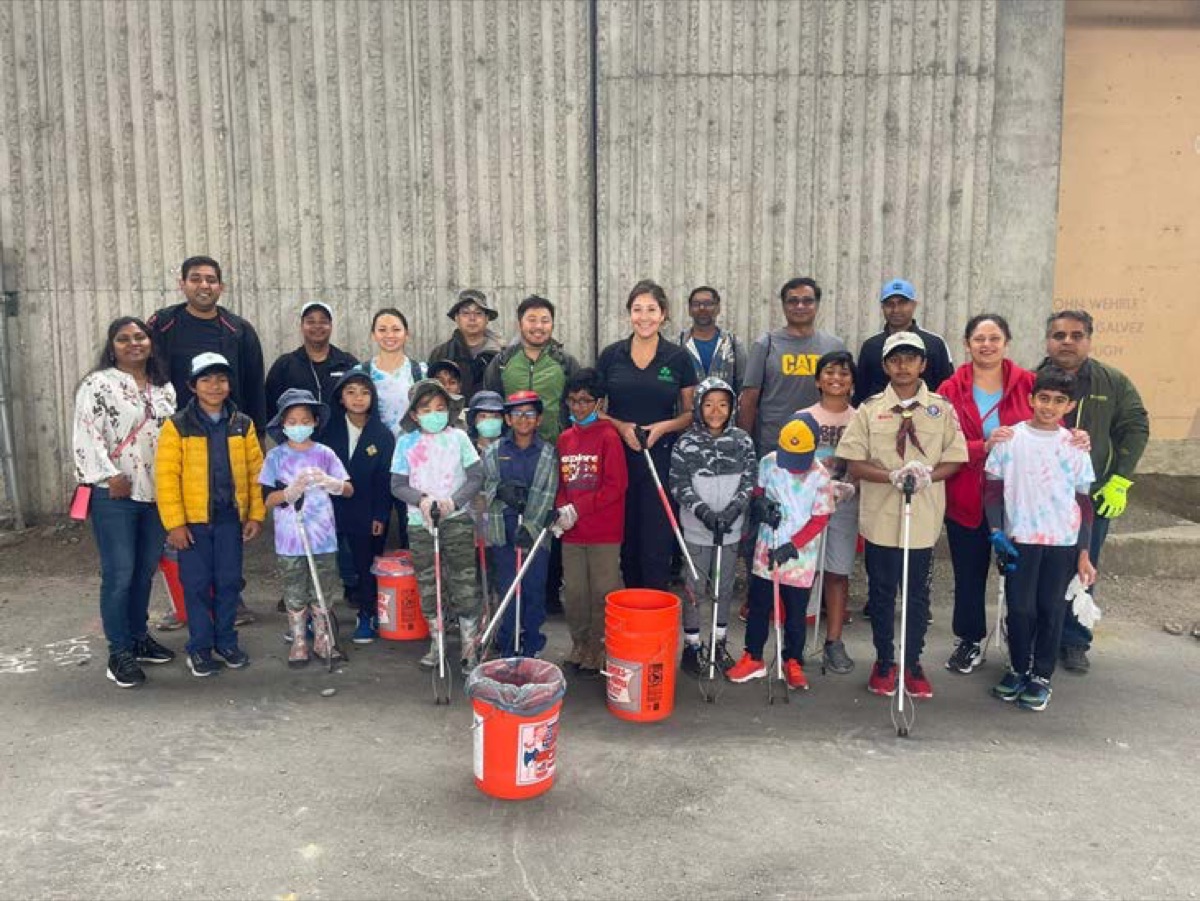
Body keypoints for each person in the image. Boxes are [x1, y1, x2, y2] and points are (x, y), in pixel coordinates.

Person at [836, 332, 968, 699]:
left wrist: (926, 475)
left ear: (923, 364)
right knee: (880, 593)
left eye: (911, 358)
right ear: (885, 366)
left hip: (922, 518)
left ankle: (912, 662)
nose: (903, 366)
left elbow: (955, 459)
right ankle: (883, 661)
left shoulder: (941, 409)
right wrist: (891, 476)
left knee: (916, 596)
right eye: (895, 359)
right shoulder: (869, 409)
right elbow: (854, 461)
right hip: (881, 516)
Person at [148, 256, 265, 628]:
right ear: (182, 284)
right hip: (178, 438)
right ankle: (183, 603)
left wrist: (255, 436)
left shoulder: (238, 330)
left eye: (211, 280)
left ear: (221, 287)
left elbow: (253, 387)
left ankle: (234, 597)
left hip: (225, 438)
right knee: (179, 523)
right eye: (196, 279)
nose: (204, 286)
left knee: (227, 520)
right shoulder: (162, 325)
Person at [72, 317, 178, 688]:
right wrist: (107, 475)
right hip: (115, 493)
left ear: (150, 342)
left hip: (156, 494)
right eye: (123, 339)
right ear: (112, 345)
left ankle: (138, 637)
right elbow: (86, 434)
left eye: (140, 337)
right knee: (119, 573)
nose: (134, 344)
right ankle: (118, 652)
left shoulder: (164, 387)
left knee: (145, 571)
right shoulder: (97, 384)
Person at [984, 366, 1097, 711]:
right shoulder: (1010, 439)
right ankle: (1018, 667)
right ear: (1031, 399)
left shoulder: (1075, 446)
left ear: (1069, 406)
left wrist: (1084, 552)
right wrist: (996, 531)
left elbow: (1084, 502)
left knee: (1051, 609)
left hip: (1062, 542)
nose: (1049, 406)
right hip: (1020, 538)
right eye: (1043, 398)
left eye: (1058, 401)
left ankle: (1042, 675)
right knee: (1020, 609)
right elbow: (991, 489)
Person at [1042, 309, 1149, 674]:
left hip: (1091, 495)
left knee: (1082, 567)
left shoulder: (1112, 382)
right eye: (1059, 335)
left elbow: (1135, 426)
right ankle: (1039, 635)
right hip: (1040, 497)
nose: (1067, 342)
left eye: (1076, 335)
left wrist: (1119, 479)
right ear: (1048, 341)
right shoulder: (1031, 379)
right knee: (1040, 569)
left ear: (1088, 339)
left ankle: (1074, 641)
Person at [938, 314, 1037, 674]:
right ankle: (969, 639)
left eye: (995, 338)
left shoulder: (1030, 384)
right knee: (969, 574)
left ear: (1006, 342)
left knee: (1020, 574)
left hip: (1019, 499)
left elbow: (1050, 426)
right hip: (966, 497)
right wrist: (982, 446)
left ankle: (1019, 638)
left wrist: (1076, 438)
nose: (987, 345)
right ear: (967, 344)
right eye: (979, 339)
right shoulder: (949, 389)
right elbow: (941, 445)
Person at [155, 353, 265, 677]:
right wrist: (175, 524)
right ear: (192, 385)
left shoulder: (242, 424)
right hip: (194, 525)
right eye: (206, 380)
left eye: (221, 379)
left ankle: (227, 642)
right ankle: (200, 648)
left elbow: (256, 472)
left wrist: (255, 515)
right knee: (197, 584)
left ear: (229, 385)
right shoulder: (177, 426)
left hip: (230, 520)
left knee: (229, 582)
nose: (214, 386)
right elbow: (166, 478)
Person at [596, 280, 698, 591]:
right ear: (629, 314)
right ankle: (629, 604)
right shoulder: (612, 355)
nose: (644, 317)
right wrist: (622, 427)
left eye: (651, 310)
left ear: (664, 314)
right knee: (626, 536)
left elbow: (690, 414)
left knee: (656, 537)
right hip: (618, 455)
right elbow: (596, 411)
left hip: (661, 456)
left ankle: (655, 606)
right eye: (637, 309)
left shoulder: (678, 358)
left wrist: (662, 428)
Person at [484, 294, 581, 615]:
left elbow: (576, 402)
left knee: (548, 519)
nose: (538, 327)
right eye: (531, 320)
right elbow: (491, 404)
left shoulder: (564, 362)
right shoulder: (502, 361)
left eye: (544, 320)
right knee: (512, 514)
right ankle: (511, 594)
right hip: (511, 453)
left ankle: (549, 591)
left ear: (552, 324)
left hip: (553, 452)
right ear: (519, 323)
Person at [726, 412, 835, 690]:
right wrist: (761, 507)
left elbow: (821, 518)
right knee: (759, 605)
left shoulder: (821, 477)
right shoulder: (769, 463)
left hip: (800, 556)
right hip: (767, 548)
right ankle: (753, 657)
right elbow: (758, 493)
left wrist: (792, 546)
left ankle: (793, 660)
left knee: (796, 612)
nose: (794, 467)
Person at [390, 379, 484, 674]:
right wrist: (421, 500)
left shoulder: (459, 438)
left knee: (464, 582)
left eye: (441, 408)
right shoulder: (405, 441)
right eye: (427, 409)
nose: (435, 413)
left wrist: (454, 502)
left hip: (456, 521)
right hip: (421, 524)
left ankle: (470, 644)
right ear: (415, 414)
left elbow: (475, 477)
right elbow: (397, 484)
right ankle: (438, 641)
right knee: (429, 584)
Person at [669, 377, 756, 676]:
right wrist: (704, 512)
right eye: (708, 404)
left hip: (729, 530)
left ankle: (719, 642)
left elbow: (748, 481)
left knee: (724, 587)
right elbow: (678, 484)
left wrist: (732, 512)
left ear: (731, 407)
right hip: (697, 529)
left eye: (722, 404)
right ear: (697, 407)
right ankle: (692, 645)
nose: (715, 410)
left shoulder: (742, 441)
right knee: (695, 588)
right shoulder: (686, 443)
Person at [259, 389, 353, 666]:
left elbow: (348, 489)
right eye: (292, 420)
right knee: (295, 591)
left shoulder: (325, 454)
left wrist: (332, 483)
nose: (298, 425)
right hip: (290, 540)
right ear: (283, 424)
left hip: (323, 537)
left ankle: (325, 641)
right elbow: (267, 499)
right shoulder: (275, 457)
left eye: (304, 420)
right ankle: (299, 641)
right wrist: (290, 492)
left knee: (322, 590)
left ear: (314, 422)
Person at [554, 369, 628, 677]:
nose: (579, 407)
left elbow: (616, 485)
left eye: (585, 401)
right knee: (575, 594)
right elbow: (559, 483)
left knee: (603, 592)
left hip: (603, 533)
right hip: (572, 533)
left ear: (599, 402)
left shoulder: (609, 437)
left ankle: (600, 648)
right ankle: (579, 644)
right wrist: (561, 511)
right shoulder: (564, 439)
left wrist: (578, 508)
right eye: (573, 401)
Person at [482, 391, 559, 658]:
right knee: (508, 588)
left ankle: (532, 644)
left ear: (538, 419)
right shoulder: (494, 451)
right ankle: (508, 644)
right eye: (516, 414)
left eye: (529, 414)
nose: (523, 419)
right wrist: (503, 493)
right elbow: (488, 485)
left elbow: (548, 492)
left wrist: (531, 528)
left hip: (536, 536)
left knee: (534, 589)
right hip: (504, 531)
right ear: (507, 419)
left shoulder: (548, 453)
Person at [800, 350, 861, 674]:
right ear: (817, 380)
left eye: (844, 374)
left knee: (837, 573)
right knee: (803, 573)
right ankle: (795, 640)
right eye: (829, 373)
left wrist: (849, 481)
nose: (836, 379)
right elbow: (791, 463)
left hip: (844, 506)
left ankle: (834, 641)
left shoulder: (860, 418)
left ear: (852, 382)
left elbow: (865, 462)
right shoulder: (803, 417)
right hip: (808, 507)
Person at [323, 370, 395, 645]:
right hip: (329, 508)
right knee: (327, 563)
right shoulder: (327, 431)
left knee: (366, 565)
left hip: (367, 509)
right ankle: (318, 617)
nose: (358, 398)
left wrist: (380, 513)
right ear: (340, 398)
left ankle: (367, 614)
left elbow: (385, 479)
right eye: (351, 391)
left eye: (364, 392)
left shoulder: (382, 435)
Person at [738, 277, 847, 457]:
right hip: (775, 443)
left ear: (817, 305)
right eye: (793, 301)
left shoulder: (835, 346)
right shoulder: (765, 344)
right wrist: (743, 445)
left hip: (823, 444)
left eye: (807, 301)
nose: (800, 306)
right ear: (783, 305)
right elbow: (749, 399)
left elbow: (845, 394)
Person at [365, 307, 426, 550]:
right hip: (375, 459)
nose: (389, 335)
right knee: (373, 525)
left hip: (413, 460)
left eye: (396, 329)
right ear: (373, 335)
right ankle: (373, 585)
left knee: (411, 525)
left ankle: (412, 584)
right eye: (382, 329)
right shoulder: (363, 372)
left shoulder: (419, 371)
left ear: (406, 334)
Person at [853, 278, 954, 405]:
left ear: (914, 305)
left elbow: (947, 389)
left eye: (902, 303)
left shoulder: (935, 344)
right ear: (882, 307)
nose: (896, 310)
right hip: (880, 420)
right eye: (890, 304)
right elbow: (861, 393)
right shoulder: (870, 346)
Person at [264, 301, 358, 423]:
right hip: (299, 440)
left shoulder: (347, 363)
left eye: (323, 322)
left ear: (331, 326)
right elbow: (269, 406)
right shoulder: (284, 365)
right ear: (301, 326)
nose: (317, 326)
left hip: (340, 439)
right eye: (311, 322)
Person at [427, 289, 504, 400]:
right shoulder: (440, 354)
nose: (472, 318)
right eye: (466, 313)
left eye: (478, 313)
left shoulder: (501, 354)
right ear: (456, 318)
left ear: (487, 319)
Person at [676, 286, 747, 393]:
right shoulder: (677, 344)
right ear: (689, 310)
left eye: (708, 304)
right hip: (687, 409)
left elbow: (744, 386)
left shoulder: (734, 344)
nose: (702, 308)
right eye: (696, 304)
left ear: (718, 308)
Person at [428, 359, 467, 428]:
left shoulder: (468, 420)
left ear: (459, 387)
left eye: (452, 382)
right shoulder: (424, 417)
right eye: (441, 382)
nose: (446, 387)